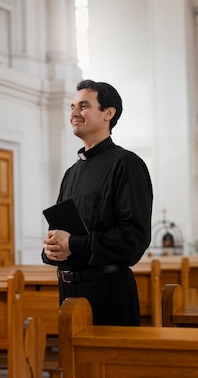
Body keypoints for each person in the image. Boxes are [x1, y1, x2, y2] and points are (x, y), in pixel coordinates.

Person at [42, 79, 153, 326]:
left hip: (108, 293)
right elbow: (64, 232)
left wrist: (74, 244)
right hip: (69, 294)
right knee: (72, 366)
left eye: (83, 106)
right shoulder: (72, 172)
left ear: (108, 113)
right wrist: (52, 248)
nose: (73, 113)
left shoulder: (126, 164)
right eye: (72, 107)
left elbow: (134, 238)